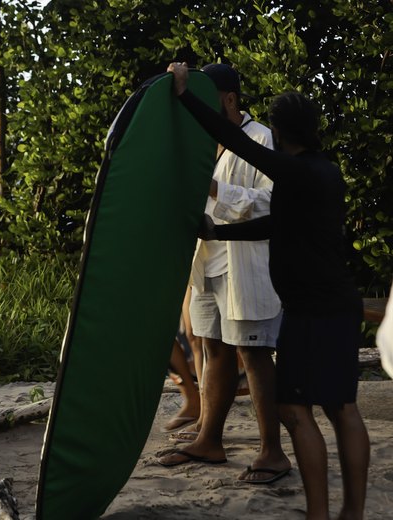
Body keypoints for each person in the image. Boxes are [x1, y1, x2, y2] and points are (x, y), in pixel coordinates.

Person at [168, 62, 370, 520]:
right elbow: (279, 225)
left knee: (294, 410)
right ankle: (351, 514)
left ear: (278, 133)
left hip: (310, 309)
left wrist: (184, 95)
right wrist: (219, 233)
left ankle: (319, 514)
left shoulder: (293, 170)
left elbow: (235, 138)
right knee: (342, 409)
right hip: (338, 304)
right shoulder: (325, 172)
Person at [159, 64, 291, 486]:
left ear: (229, 99)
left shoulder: (262, 139)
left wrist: (214, 190)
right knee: (212, 350)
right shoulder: (202, 141)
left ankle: (272, 451)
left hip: (246, 265)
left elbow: (271, 203)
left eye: (207, 96)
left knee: (253, 355)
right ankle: (209, 440)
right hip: (206, 262)